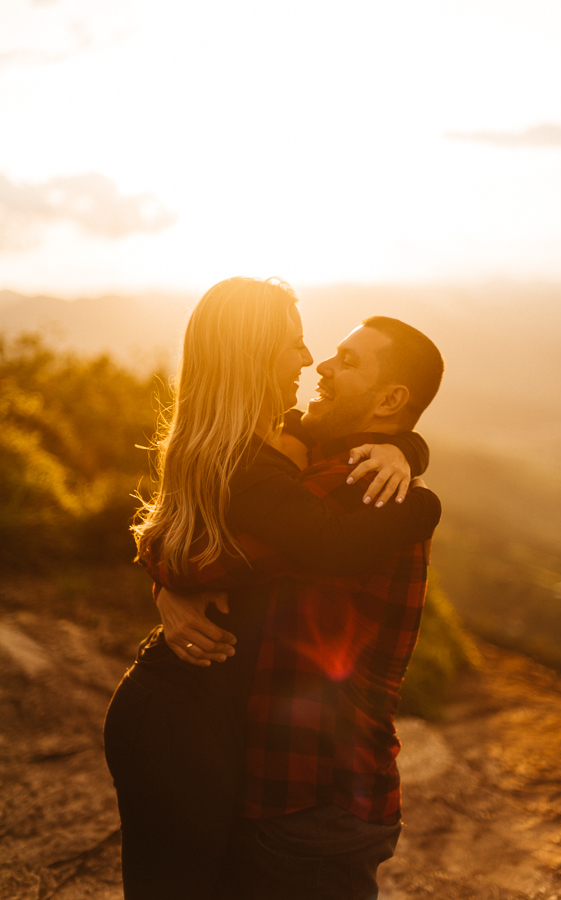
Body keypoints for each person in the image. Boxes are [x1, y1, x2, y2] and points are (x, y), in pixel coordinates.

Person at [103, 277, 440, 900]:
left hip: (292, 770)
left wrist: (407, 453)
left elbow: (187, 553)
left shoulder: (328, 469)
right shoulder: (272, 467)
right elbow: (201, 557)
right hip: (200, 730)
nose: (315, 363)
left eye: (343, 359)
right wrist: (422, 499)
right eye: (300, 345)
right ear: (254, 357)